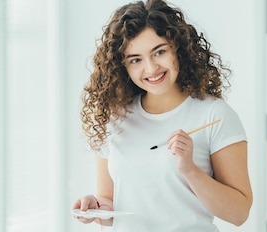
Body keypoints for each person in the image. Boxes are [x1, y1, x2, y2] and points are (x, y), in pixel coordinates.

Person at [72, 0, 252, 231]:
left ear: (178, 48)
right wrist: (94, 207)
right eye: (135, 59)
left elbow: (239, 214)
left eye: (159, 52)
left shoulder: (214, 114)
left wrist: (190, 169)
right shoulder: (115, 118)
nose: (151, 68)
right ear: (122, 67)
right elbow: (110, 206)